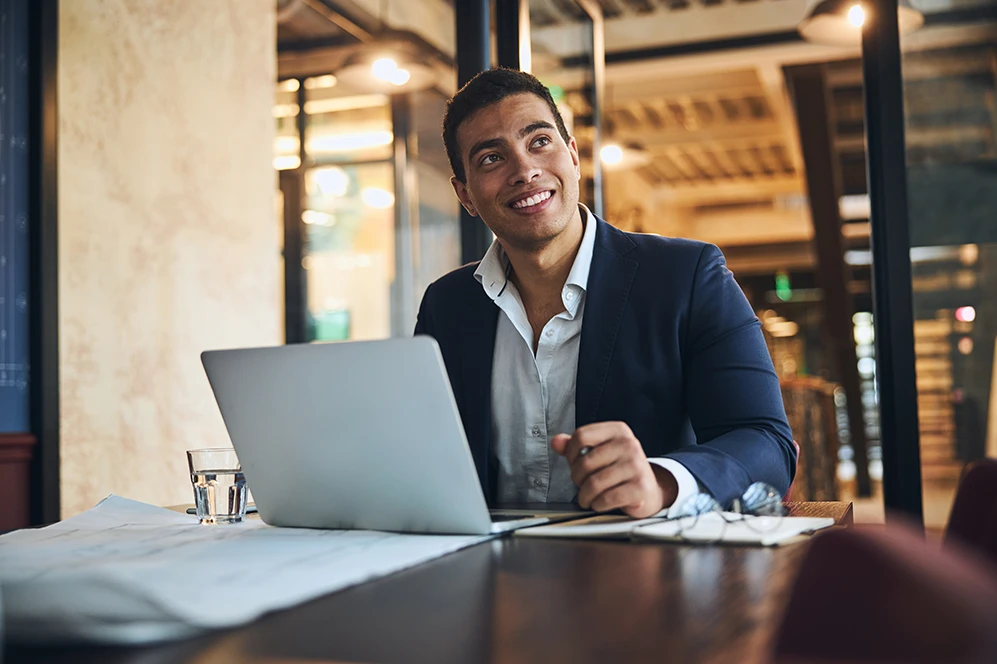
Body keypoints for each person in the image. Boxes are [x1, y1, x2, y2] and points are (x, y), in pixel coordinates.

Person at [414, 68, 795, 518]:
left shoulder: (688, 276)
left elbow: (766, 442)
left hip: (643, 566)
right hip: (487, 572)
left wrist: (661, 481)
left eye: (539, 142)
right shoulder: (446, 305)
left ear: (573, 156)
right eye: (491, 159)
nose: (525, 170)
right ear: (466, 196)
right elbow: (423, 455)